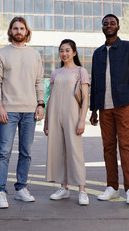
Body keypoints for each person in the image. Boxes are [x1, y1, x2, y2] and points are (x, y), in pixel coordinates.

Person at [90, 14, 129, 204]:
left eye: (112, 23)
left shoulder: (128, 48)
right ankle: (112, 187)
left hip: (123, 105)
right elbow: (95, 81)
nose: (109, 25)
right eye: (105, 23)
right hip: (104, 108)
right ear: (102, 28)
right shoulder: (97, 53)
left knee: (126, 146)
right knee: (108, 148)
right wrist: (93, 109)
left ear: (118, 27)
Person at [0, 17, 44, 209]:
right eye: (15, 28)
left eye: (22, 28)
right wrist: (0, 106)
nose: (19, 31)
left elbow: (39, 81)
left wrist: (40, 104)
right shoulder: (1, 53)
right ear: (11, 31)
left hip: (30, 111)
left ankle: (21, 188)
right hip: (9, 111)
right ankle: (0, 192)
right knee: (4, 153)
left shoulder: (35, 54)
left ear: (26, 31)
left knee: (26, 152)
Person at [44, 39, 90, 206]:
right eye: (62, 51)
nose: (64, 53)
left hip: (72, 115)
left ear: (74, 52)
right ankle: (64, 188)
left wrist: (82, 120)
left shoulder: (81, 71)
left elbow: (85, 98)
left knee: (75, 151)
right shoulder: (56, 73)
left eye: (68, 50)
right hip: (55, 114)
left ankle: (82, 190)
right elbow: (50, 98)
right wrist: (47, 120)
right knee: (58, 151)